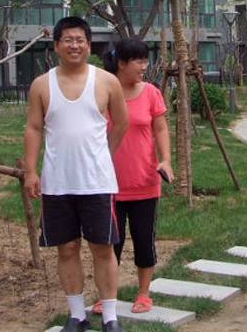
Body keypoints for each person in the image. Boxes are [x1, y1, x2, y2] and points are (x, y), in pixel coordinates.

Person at [23, 16, 130, 332]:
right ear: (56, 45)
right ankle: (76, 315)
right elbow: (33, 127)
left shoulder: (106, 82)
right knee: (66, 247)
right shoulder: (42, 84)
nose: (74, 45)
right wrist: (30, 171)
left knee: (102, 247)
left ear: (88, 44)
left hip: (96, 182)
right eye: (67, 39)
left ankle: (110, 316)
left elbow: (121, 123)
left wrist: (104, 155)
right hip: (57, 183)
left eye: (80, 39)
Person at [90, 38, 173, 315]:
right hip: (107, 183)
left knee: (143, 241)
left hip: (144, 182)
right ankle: (106, 296)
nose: (144, 66)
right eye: (138, 61)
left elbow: (160, 129)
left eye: (145, 60)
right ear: (121, 64)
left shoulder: (150, 92)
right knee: (109, 243)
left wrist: (166, 160)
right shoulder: (102, 92)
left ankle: (143, 293)